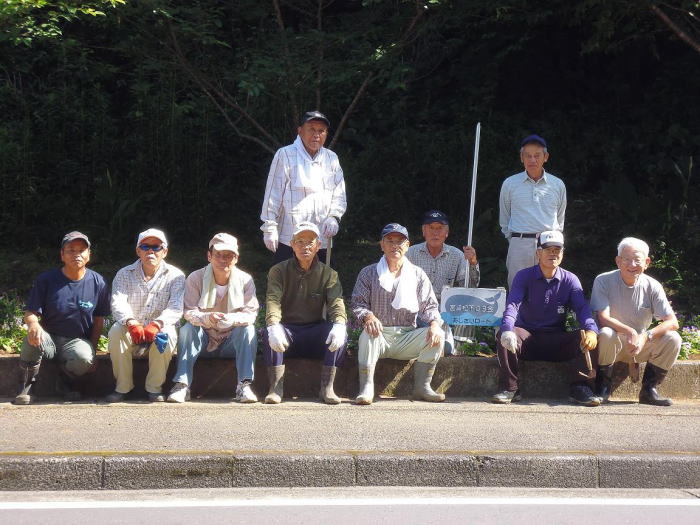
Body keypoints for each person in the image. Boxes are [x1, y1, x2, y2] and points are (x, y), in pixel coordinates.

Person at [491, 230, 600, 406]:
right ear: (538, 253)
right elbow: (512, 306)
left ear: (562, 253)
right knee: (503, 335)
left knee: (589, 336)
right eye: (548, 249)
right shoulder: (523, 276)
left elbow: (582, 309)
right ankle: (510, 388)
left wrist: (591, 330)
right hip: (527, 338)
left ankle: (580, 387)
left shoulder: (571, 280)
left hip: (557, 340)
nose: (553, 253)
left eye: (557, 250)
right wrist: (507, 329)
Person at [351, 223, 446, 405]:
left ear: (407, 246)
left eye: (400, 242)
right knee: (367, 334)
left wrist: (434, 324)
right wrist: (368, 317)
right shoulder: (368, 272)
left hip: (407, 335)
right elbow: (357, 303)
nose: (395, 246)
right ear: (382, 245)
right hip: (379, 335)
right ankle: (366, 388)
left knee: (438, 335)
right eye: (390, 241)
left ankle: (423, 387)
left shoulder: (417, 274)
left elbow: (430, 306)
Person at [13, 231, 110, 405]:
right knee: (32, 336)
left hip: (76, 341)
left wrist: (94, 350)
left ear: (89, 255)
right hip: (48, 338)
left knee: (84, 358)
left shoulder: (98, 282)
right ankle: (27, 385)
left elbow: (98, 320)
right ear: (62, 255)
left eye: (81, 250)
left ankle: (66, 381)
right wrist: (33, 323)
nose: (76, 254)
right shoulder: (46, 280)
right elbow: (30, 313)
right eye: (71, 250)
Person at [167, 233, 259, 404]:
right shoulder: (196, 278)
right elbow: (189, 312)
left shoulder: (245, 280)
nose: (223, 260)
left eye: (228, 255)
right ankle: (182, 385)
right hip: (203, 339)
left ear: (236, 258)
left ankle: (244, 385)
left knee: (248, 329)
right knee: (187, 329)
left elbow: (251, 314)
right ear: (209, 256)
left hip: (231, 341)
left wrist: (232, 319)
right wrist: (207, 318)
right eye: (218, 255)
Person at [262, 221, 347, 404]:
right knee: (269, 332)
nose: (305, 246)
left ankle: (327, 388)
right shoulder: (278, 270)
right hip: (287, 331)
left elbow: (336, 303)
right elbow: (272, 300)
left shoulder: (329, 274)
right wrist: (274, 324)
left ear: (318, 246)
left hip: (314, 330)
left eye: (310, 242)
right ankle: (275, 388)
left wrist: (340, 323)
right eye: (299, 241)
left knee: (339, 333)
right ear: (292, 245)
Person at [590, 237, 681, 406]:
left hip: (640, 344)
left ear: (647, 262)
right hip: (613, 344)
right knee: (607, 333)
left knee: (673, 338)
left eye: (637, 260)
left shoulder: (653, 285)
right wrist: (630, 331)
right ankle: (602, 388)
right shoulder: (603, 280)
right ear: (618, 261)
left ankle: (649, 391)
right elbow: (603, 318)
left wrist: (646, 336)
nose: (632, 265)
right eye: (626, 259)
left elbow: (672, 322)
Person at [106, 228, 185, 403]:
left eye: (156, 247)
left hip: (158, 329)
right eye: (145, 246)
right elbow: (118, 303)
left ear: (164, 252)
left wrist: (157, 324)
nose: (151, 251)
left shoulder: (176, 276)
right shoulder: (123, 274)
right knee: (115, 331)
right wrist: (131, 323)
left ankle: (154, 389)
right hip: (132, 329)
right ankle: (122, 387)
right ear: (138, 251)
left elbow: (175, 308)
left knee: (168, 334)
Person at [260, 110, 347, 265]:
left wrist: (334, 216)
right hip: (290, 237)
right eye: (311, 129)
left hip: (321, 237)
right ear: (300, 131)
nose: (316, 135)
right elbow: (273, 193)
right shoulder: (285, 154)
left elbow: (339, 194)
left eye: (321, 131)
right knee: (286, 279)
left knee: (322, 279)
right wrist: (269, 227)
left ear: (326, 134)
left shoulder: (331, 158)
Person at [406, 209, 480, 355]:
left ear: (447, 232)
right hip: (416, 311)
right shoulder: (410, 253)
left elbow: (470, 288)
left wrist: (472, 262)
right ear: (423, 231)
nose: (435, 233)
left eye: (439, 228)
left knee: (446, 347)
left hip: (446, 312)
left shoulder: (457, 255)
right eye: (431, 228)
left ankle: (458, 347)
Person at [499, 135, 566, 288]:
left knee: (548, 289)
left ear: (545, 157)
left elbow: (560, 218)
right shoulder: (510, 184)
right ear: (521, 158)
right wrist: (516, 240)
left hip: (549, 245)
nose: (532, 160)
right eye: (528, 156)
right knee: (518, 289)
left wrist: (553, 242)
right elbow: (504, 218)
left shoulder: (557, 185)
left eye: (537, 155)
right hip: (519, 245)